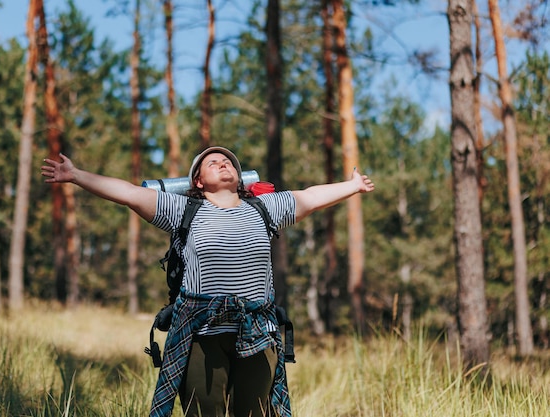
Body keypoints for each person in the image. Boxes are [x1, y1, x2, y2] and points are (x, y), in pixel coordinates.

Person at [41, 146, 375, 417]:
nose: (222, 163)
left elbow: (310, 196)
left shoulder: (265, 208)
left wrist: (353, 186)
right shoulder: (181, 209)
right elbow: (128, 193)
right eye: (212, 162)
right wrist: (76, 176)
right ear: (198, 182)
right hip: (201, 334)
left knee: (257, 413)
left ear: (239, 177)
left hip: (258, 331)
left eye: (228, 161)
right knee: (204, 413)